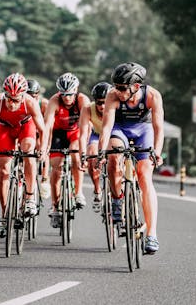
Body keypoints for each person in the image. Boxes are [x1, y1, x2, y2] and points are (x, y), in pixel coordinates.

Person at [97, 62, 164, 254]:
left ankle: (151, 234)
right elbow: (107, 127)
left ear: (135, 86)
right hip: (120, 128)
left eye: (121, 88)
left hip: (144, 129)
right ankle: (117, 198)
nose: (116, 91)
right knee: (113, 154)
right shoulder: (112, 95)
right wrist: (102, 152)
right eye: (115, 86)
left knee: (144, 175)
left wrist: (157, 152)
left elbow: (158, 128)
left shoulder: (152, 95)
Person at [0, 73, 46, 237]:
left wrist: (43, 149)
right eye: (9, 98)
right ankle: (5, 214)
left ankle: (30, 197)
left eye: (16, 99)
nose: (12, 103)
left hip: (26, 126)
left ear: (23, 96)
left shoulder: (30, 103)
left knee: (28, 150)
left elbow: (42, 130)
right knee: (3, 167)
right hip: (5, 128)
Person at [43, 73, 90, 228]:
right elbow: (47, 126)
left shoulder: (83, 100)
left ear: (75, 91)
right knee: (56, 167)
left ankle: (78, 192)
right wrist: (44, 147)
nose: (67, 98)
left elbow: (86, 127)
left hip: (75, 132)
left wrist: (85, 151)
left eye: (70, 94)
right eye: (63, 94)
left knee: (76, 156)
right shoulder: (54, 101)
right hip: (58, 133)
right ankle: (55, 206)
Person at [78, 82, 111, 212]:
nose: (102, 106)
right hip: (97, 135)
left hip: (113, 135)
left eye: (105, 102)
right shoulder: (88, 109)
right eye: (99, 103)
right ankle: (97, 190)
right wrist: (82, 156)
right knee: (91, 155)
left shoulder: (116, 107)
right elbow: (82, 135)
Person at [26, 79, 51, 202]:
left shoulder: (44, 104)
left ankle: (45, 179)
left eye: (33, 96)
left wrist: (46, 148)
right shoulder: (21, 103)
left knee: (42, 145)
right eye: (27, 96)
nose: (31, 99)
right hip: (26, 131)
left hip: (40, 130)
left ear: (38, 95)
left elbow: (48, 129)